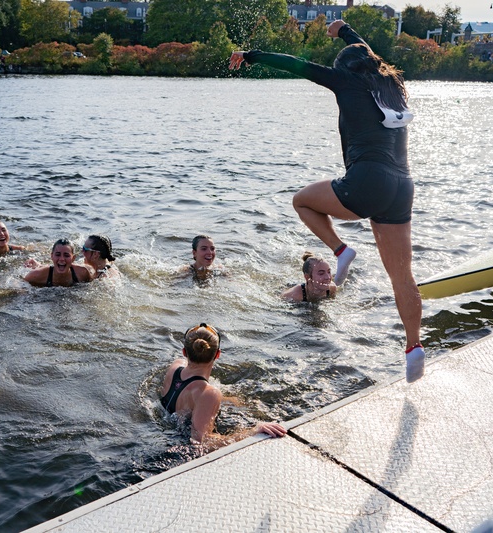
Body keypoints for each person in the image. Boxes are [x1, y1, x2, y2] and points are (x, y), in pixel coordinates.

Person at [229, 20, 426, 383]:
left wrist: (250, 55)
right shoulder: (392, 85)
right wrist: (346, 31)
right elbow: (370, 53)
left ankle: (340, 250)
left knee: (302, 201)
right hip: (403, 186)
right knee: (402, 276)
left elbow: (296, 64)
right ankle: (414, 347)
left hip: (368, 180)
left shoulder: (345, 80)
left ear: (343, 70)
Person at [160, 323, 287, 447]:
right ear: (218, 354)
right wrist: (253, 432)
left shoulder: (175, 367)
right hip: (179, 445)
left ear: (184, 352)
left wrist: (226, 400)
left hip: (164, 431)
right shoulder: (209, 394)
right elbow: (201, 442)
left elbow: (186, 392)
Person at [24, 239, 93, 287]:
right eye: (57, 254)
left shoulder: (82, 273)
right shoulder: (36, 275)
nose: (62, 259)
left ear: (73, 258)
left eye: (66, 255)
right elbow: (20, 283)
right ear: (52, 256)